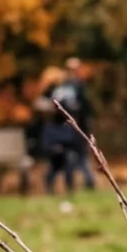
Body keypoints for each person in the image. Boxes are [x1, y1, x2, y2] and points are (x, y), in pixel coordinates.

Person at [44, 59, 95, 193]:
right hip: (64, 131)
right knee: (67, 160)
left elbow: (85, 108)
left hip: (76, 129)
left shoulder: (77, 86)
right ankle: (78, 184)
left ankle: (86, 183)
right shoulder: (60, 88)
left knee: (77, 158)